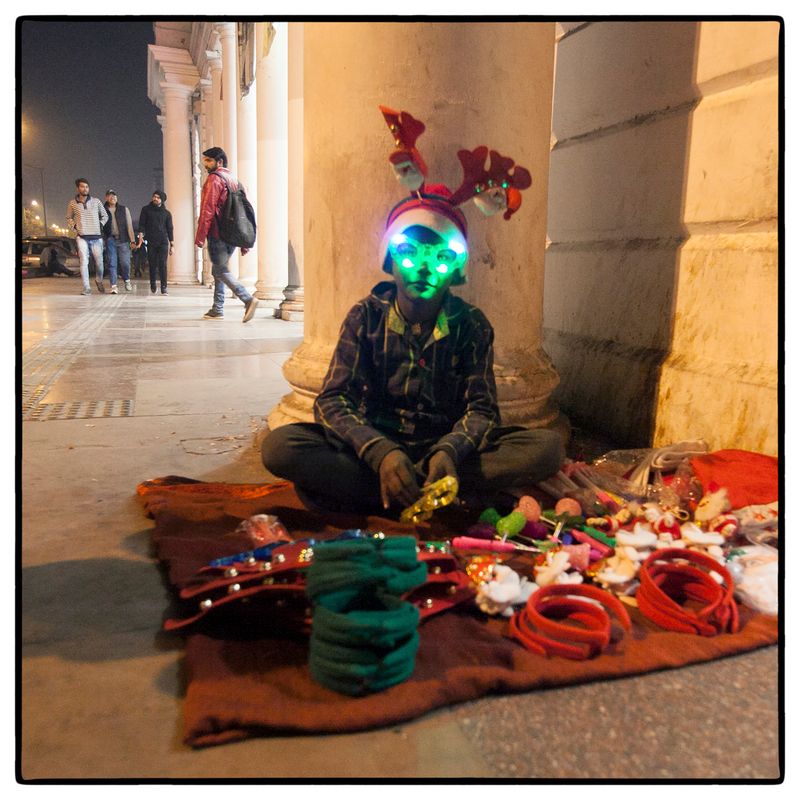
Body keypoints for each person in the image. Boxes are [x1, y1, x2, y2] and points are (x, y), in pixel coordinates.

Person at [261, 195, 564, 516]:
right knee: (281, 447)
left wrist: (448, 450)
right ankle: (430, 492)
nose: (423, 268)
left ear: (456, 270)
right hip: (374, 446)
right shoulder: (365, 317)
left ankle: (392, 491)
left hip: (445, 450)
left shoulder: (472, 325)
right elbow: (333, 401)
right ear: (390, 259)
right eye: (409, 253)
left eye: (441, 258)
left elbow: (483, 411)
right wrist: (381, 453)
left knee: (547, 448)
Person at [194, 146, 259, 322]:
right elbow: (245, 212)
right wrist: (244, 241)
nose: (205, 164)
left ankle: (247, 299)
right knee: (218, 270)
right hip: (232, 235)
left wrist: (200, 236)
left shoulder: (214, 180)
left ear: (219, 161)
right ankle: (217, 308)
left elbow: (208, 209)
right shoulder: (236, 181)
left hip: (218, 233)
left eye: (208, 160)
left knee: (221, 270)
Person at [66, 178, 109, 295]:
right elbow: (69, 217)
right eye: (82, 186)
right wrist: (74, 227)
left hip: (96, 237)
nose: (85, 189)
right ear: (78, 188)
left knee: (99, 263)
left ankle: (99, 280)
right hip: (82, 237)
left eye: (87, 187)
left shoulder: (96, 201)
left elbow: (105, 216)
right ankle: (86, 287)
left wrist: (100, 225)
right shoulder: (72, 203)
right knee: (84, 261)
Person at [137, 191, 173, 294]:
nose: (155, 199)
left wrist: (172, 244)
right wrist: (141, 235)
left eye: (158, 197)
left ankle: (164, 286)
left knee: (163, 264)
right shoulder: (146, 210)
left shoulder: (167, 213)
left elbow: (170, 229)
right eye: (154, 196)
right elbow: (142, 225)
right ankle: (152, 283)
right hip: (151, 241)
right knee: (152, 264)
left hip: (163, 242)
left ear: (162, 200)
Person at [102, 190, 136, 293]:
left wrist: (132, 240)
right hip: (110, 239)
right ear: (106, 198)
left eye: (114, 196)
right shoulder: (103, 210)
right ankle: (114, 286)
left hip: (123, 239)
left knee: (125, 262)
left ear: (117, 198)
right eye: (110, 196)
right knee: (112, 263)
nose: (113, 197)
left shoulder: (124, 209)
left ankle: (127, 280)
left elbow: (129, 225)